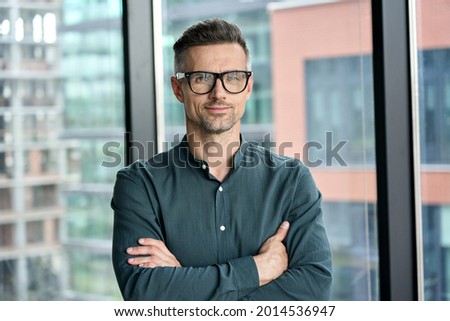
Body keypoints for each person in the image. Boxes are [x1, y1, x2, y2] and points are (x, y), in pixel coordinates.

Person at [111, 18, 332, 301]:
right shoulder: (139, 184)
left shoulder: (291, 180)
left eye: (233, 77)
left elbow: (313, 290)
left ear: (248, 86)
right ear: (179, 89)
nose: (219, 92)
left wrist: (185, 287)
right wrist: (257, 269)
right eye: (202, 78)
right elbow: (144, 294)